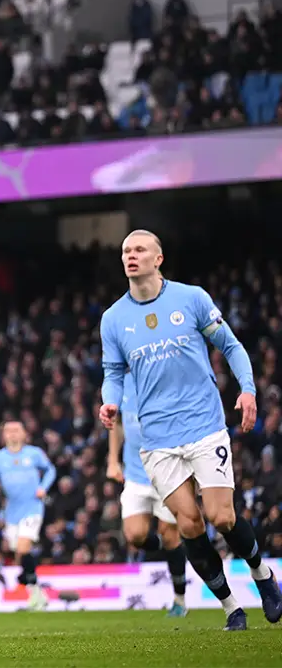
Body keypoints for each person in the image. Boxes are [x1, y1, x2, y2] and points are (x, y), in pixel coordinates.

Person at [99, 229, 281, 631]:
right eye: (126, 251)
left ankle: (262, 576)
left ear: (158, 258)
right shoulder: (113, 319)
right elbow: (113, 373)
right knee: (188, 525)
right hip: (156, 439)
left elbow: (231, 346)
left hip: (203, 424)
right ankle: (232, 608)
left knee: (222, 517)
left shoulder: (191, 298)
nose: (131, 256)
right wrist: (109, 400)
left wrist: (248, 391)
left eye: (140, 249)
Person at [107, 377, 188, 616]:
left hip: (166, 471)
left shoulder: (164, 378)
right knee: (135, 535)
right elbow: (116, 423)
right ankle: (170, 547)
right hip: (134, 474)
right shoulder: (122, 382)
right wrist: (113, 459)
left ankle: (180, 600)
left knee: (170, 533)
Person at [0, 420, 56, 612]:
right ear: (3, 435)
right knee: (19, 555)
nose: (13, 434)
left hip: (32, 508)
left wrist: (43, 488)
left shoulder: (34, 454)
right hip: (11, 512)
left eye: (16, 430)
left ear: (24, 434)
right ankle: (37, 593)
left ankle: (32, 588)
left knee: (23, 548)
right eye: (8, 431)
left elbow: (50, 470)